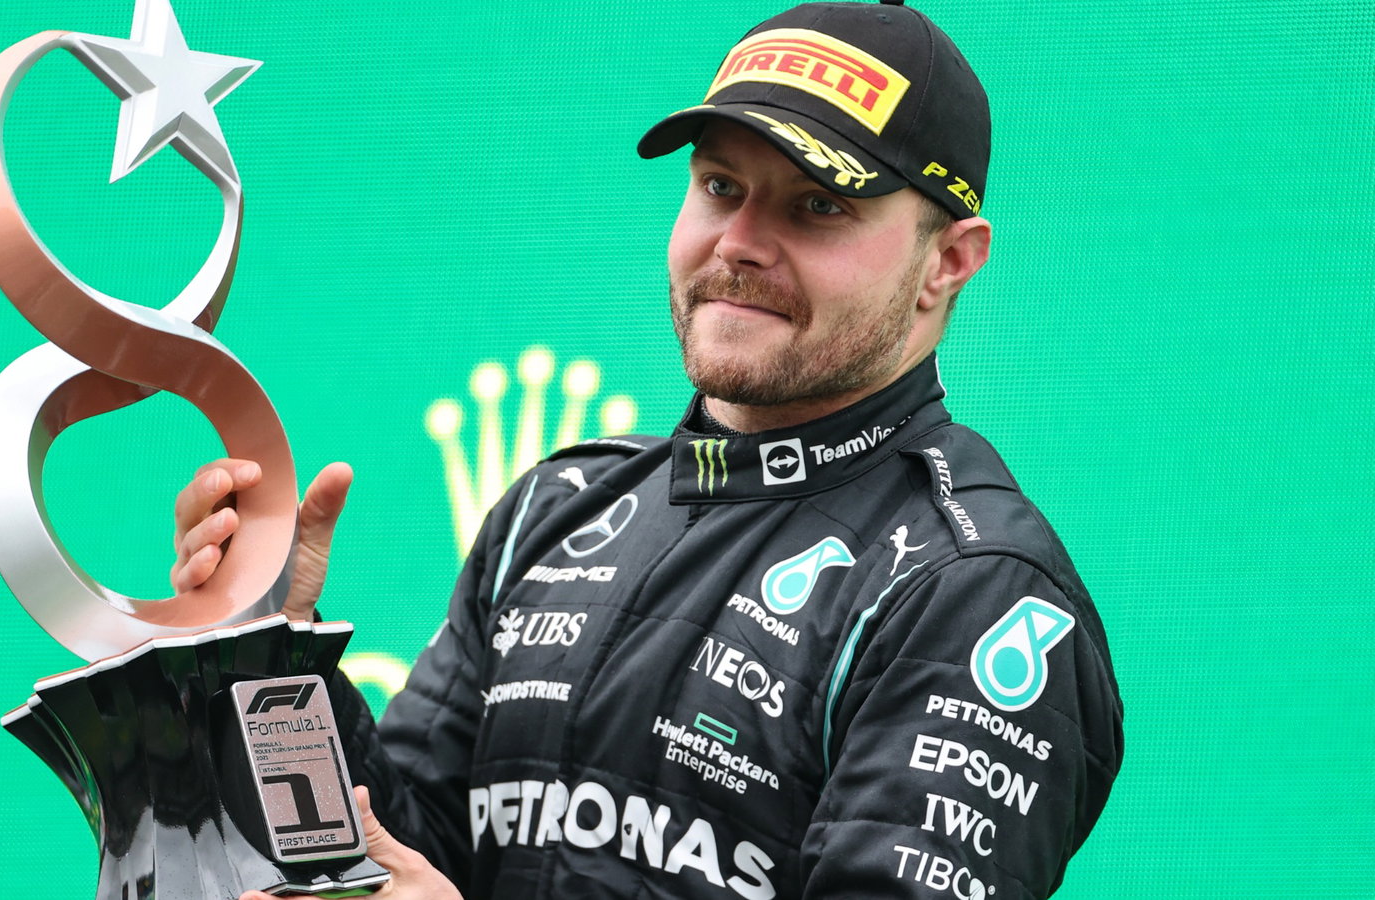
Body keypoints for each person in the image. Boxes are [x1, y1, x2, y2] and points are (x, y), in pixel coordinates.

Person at [189, 3, 1123, 897]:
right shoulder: (555, 511)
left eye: (817, 207)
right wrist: (269, 662)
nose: (741, 243)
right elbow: (395, 850)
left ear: (948, 262)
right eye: (721, 187)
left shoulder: (970, 589)